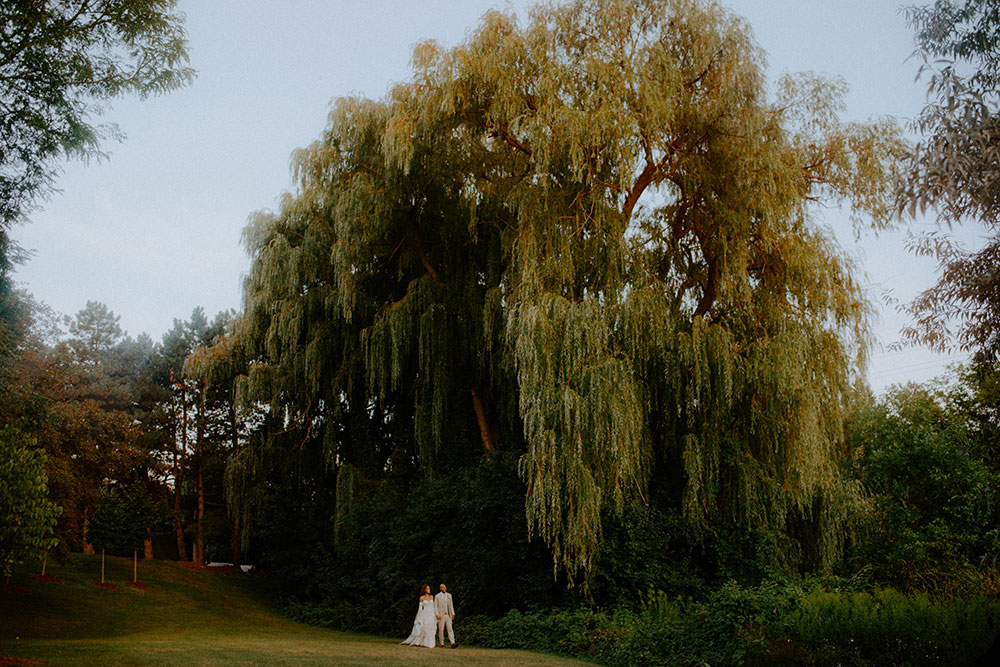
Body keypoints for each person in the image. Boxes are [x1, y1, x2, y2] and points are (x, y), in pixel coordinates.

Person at [435, 583, 457, 648]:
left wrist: (453, 614)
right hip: (440, 615)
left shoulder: (449, 595)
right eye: (442, 587)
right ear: (440, 588)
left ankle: (452, 643)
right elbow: (435, 606)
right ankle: (442, 643)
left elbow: (451, 605)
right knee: (441, 630)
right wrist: (437, 614)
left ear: (446, 588)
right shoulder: (437, 596)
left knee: (450, 629)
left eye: (444, 587)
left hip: (448, 615)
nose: (443, 588)